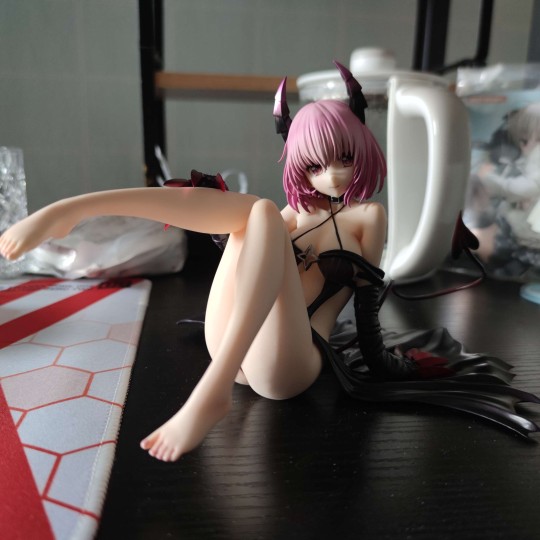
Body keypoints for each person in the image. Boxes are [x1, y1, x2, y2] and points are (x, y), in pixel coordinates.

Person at [1, 63, 538, 462]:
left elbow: (367, 310)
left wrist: (388, 368)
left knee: (258, 212)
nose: (333, 174)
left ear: (363, 150)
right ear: (299, 165)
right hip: (232, 347)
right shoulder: (287, 214)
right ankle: (75, 209)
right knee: (254, 211)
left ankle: (209, 393)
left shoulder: (368, 217)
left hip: (290, 364)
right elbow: (245, 246)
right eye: (316, 164)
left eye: (345, 158)